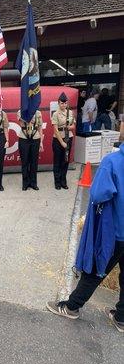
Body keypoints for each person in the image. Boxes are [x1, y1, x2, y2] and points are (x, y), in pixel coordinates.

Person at [46, 121, 124, 333]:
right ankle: (122, 317)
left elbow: (98, 194)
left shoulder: (113, 162)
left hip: (116, 232)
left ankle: (72, 307)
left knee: (96, 272)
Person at [51, 92, 76, 190]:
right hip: (58, 139)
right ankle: (57, 182)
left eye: (65, 103)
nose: (64, 105)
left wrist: (70, 127)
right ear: (58, 103)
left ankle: (63, 181)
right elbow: (55, 130)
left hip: (68, 137)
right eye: (62, 103)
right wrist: (62, 142)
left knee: (65, 161)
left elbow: (73, 125)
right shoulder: (55, 114)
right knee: (57, 161)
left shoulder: (70, 113)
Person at [17, 108, 44, 190]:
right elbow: (21, 122)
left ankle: (33, 183)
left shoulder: (38, 112)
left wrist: (41, 142)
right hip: (24, 138)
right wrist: (29, 116)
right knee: (24, 162)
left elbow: (40, 128)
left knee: (34, 162)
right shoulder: (20, 111)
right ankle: (25, 183)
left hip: (35, 137)